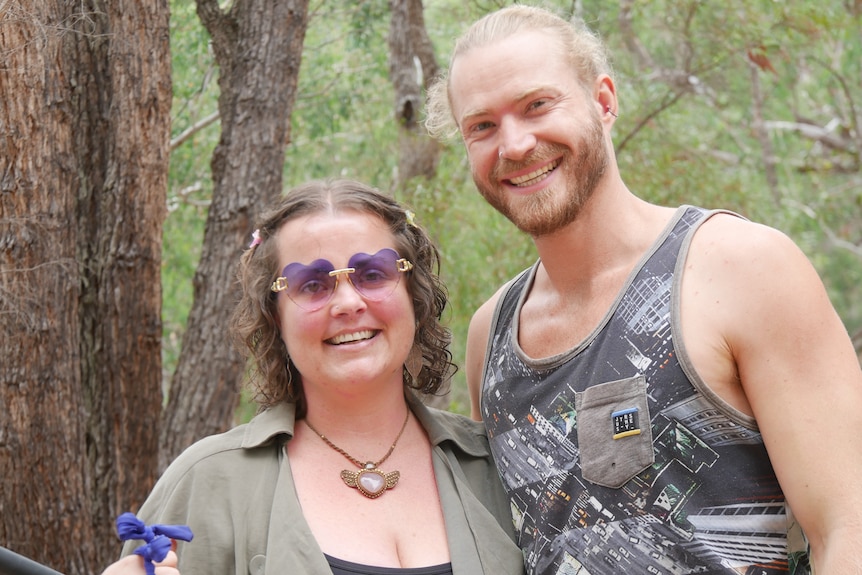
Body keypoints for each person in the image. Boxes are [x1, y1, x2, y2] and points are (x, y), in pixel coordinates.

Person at [425, 4, 862, 575]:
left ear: (603, 101)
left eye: (537, 105)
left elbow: (846, 529)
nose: (513, 144)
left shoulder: (738, 268)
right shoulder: (493, 333)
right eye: (481, 126)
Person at [106, 179, 525, 575]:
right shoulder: (206, 483)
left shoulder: (500, 465)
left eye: (373, 274)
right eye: (312, 285)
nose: (347, 302)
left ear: (413, 296)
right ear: (275, 317)